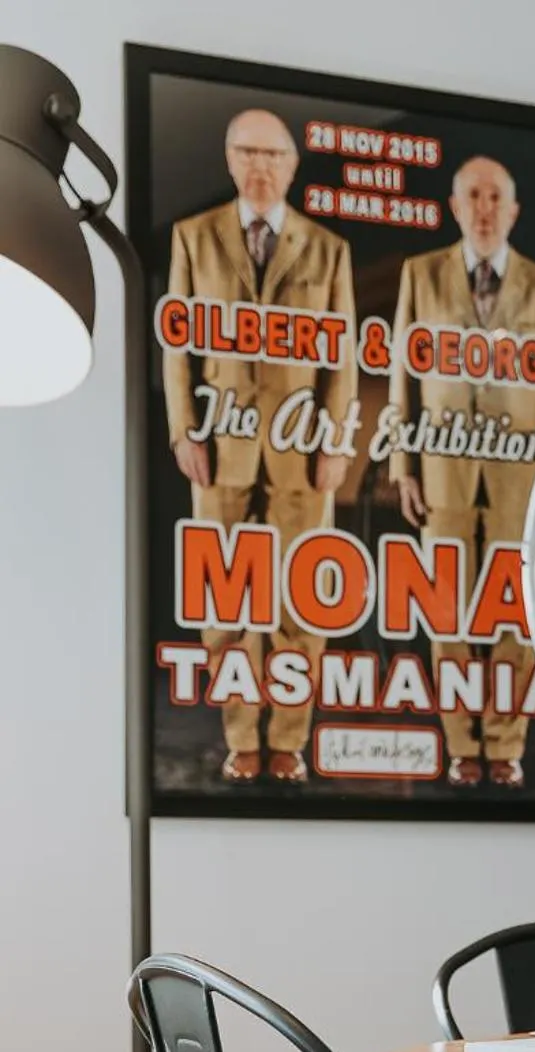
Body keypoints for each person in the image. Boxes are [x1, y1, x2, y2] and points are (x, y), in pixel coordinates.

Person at [164, 110, 357, 783]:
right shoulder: (194, 237)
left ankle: (290, 740)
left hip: (304, 444)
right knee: (226, 596)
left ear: (293, 165)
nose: (260, 164)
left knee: (302, 597)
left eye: (273, 154)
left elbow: (344, 356)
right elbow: (179, 343)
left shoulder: (329, 248)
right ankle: (244, 737)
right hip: (220, 444)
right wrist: (184, 427)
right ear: (228, 158)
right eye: (246, 150)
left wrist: (336, 440)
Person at [389, 156, 535, 788]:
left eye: (497, 196)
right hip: (440, 469)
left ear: (513, 209)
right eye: (475, 195)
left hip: (520, 478)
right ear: (455, 205)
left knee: (513, 618)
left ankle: (505, 745)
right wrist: (402, 462)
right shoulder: (420, 275)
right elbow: (402, 378)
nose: (487, 207)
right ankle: (462, 745)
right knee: (448, 613)